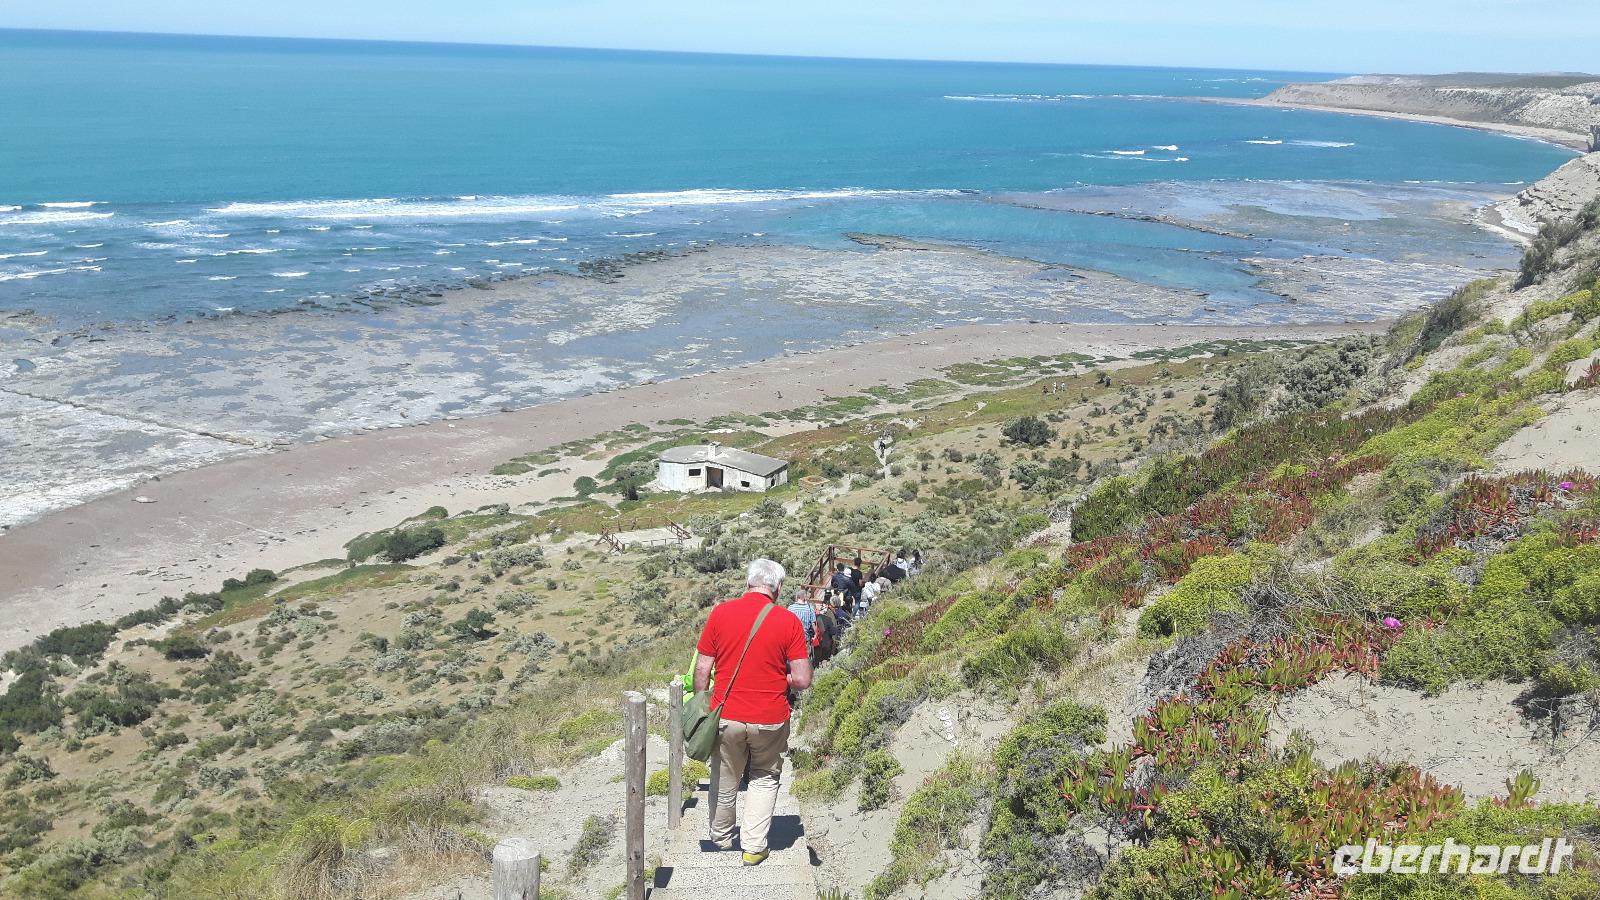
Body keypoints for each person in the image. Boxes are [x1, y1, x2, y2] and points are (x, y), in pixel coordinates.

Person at [693, 559, 812, 866]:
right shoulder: (788, 621)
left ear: (747, 582)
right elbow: (802, 679)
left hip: (728, 712)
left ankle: (720, 837)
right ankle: (754, 846)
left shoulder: (720, 613)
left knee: (725, 773)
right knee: (764, 776)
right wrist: (778, 677)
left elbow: (703, 667)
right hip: (770, 717)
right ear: (778, 587)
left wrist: (704, 703)